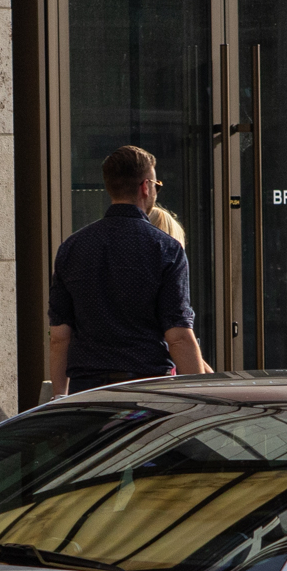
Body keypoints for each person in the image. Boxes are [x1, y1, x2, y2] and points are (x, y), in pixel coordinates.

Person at [50, 146, 210, 395]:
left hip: (88, 390)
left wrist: (60, 397)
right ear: (145, 187)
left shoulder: (71, 247)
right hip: (146, 389)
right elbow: (178, 337)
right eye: (156, 184)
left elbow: (59, 336)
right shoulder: (165, 248)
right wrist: (203, 399)